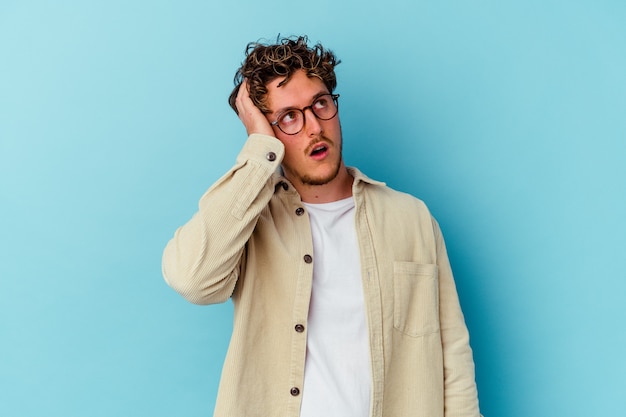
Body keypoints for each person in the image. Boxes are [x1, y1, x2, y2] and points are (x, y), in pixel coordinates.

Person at [162, 35, 482, 417]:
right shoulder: (249, 223)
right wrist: (258, 150)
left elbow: (453, 357)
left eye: (320, 104)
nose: (314, 127)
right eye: (289, 118)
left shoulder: (411, 218)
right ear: (269, 132)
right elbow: (191, 280)